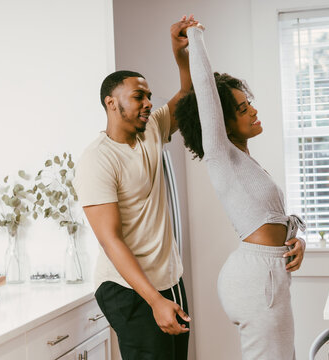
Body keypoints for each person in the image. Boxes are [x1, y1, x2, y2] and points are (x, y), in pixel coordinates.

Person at [175, 25, 306, 359]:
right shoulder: (220, 155)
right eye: (242, 108)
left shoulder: (245, 162)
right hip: (256, 279)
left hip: (267, 273)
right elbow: (205, 90)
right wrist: (196, 37)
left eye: (250, 103)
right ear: (222, 121)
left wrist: (297, 242)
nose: (253, 111)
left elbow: (269, 220)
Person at [73, 16, 197, 360]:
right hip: (128, 289)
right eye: (138, 96)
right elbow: (110, 239)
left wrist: (180, 53)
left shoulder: (152, 129)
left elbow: (187, 95)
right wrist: (154, 300)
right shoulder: (97, 160)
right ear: (112, 103)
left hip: (169, 279)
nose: (147, 103)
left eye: (149, 96)